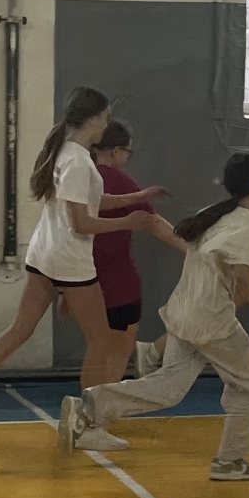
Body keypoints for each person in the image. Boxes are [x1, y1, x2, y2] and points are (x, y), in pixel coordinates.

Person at [0, 87, 160, 442]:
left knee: (18, 330)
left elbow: (90, 201)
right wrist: (128, 221)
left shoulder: (67, 152)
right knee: (103, 342)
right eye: (105, 116)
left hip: (45, 255)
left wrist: (134, 198)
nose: (107, 123)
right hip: (69, 261)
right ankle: (87, 425)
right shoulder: (78, 161)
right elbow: (81, 223)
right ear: (93, 119)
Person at [62, 153, 249, 481]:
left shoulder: (212, 214)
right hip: (212, 322)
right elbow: (244, 275)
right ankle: (229, 461)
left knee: (169, 387)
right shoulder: (248, 224)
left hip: (184, 313)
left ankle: (92, 405)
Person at [89, 119, 175, 387]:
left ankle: (94, 399)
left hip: (85, 277)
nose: (127, 157)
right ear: (116, 151)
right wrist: (190, 248)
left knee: (99, 346)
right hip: (118, 278)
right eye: (128, 151)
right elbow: (153, 222)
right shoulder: (118, 180)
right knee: (120, 346)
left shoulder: (84, 178)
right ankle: (101, 402)